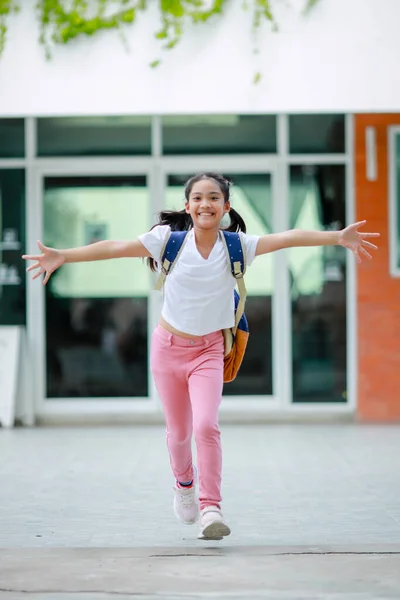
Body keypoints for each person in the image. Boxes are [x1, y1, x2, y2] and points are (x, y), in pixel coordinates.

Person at [22, 172, 379, 541]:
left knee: (206, 426)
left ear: (226, 207)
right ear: (187, 206)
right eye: (197, 198)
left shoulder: (238, 246)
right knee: (178, 434)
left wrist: (337, 237)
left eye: (213, 198)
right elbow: (115, 247)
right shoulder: (167, 242)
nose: (205, 204)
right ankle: (184, 486)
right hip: (168, 350)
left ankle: (211, 508)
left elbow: (288, 238)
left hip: (209, 350)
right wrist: (63, 255)